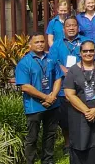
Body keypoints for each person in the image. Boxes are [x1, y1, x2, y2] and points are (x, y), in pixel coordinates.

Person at [63, 40, 95, 164]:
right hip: (79, 115)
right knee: (81, 143)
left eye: (91, 50)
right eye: (85, 51)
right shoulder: (73, 71)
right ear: (80, 53)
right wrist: (87, 111)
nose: (88, 53)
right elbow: (69, 94)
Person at [16, 33, 63, 164]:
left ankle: (47, 160)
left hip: (53, 104)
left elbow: (58, 78)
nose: (40, 44)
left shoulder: (51, 59)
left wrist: (52, 96)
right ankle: (30, 161)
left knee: (50, 134)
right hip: (34, 106)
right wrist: (45, 97)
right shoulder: (24, 62)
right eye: (36, 42)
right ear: (30, 45)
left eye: (42, 41)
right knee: (32, 137)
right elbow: (25, 86)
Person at [50, 17, 91, 153]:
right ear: (64, 29)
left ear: (78, 28)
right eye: (68, 26)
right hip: (63, 87)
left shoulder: (85, 42)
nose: (72, 28)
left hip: (83, 85)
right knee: (65, 118)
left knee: (83, 113)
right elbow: (52, 61)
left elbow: (91, 58)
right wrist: (63, 69)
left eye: (74, 25)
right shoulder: (57, 44)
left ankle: (85, 141)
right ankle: (68, 143)